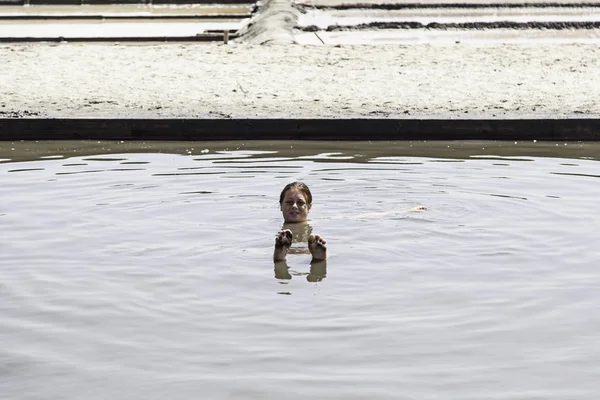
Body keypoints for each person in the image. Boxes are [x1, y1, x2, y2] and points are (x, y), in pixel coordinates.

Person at [273, 181, 327, 263]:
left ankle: (319, 256)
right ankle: (280, 253)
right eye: (289, 202)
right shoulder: (273, 226)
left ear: (309, 207)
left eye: (300, 203)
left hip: (308, 244)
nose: (294, 206)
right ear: (281, 206)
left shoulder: (318, 227)